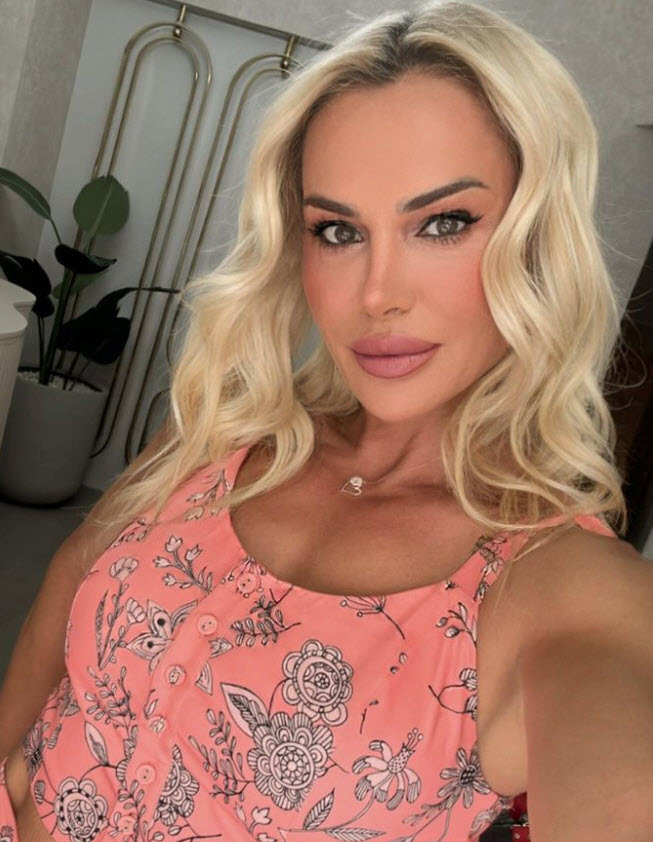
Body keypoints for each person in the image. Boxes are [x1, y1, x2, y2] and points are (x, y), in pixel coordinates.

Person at [1, 2, 652, 841]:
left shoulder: (557, 581)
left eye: (443, 223)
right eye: (337, 230)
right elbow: (73, 573)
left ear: (538, 241)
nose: (377, 294)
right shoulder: (228, 430)